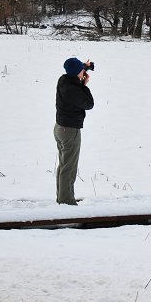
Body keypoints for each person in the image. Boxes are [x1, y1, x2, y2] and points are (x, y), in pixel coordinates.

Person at [54, 57, 94, 205]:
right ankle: (66, 202)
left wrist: (86, 66)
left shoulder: (64, 80)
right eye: (81, 70)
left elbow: (76, 69)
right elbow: (89, 104)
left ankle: (62, 197)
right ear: (77, 73)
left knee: (64, 165)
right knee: (69, 168)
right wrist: (84, 85)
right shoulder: (73, 90)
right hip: (69, 131)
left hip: (60, 128)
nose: (83, 71)